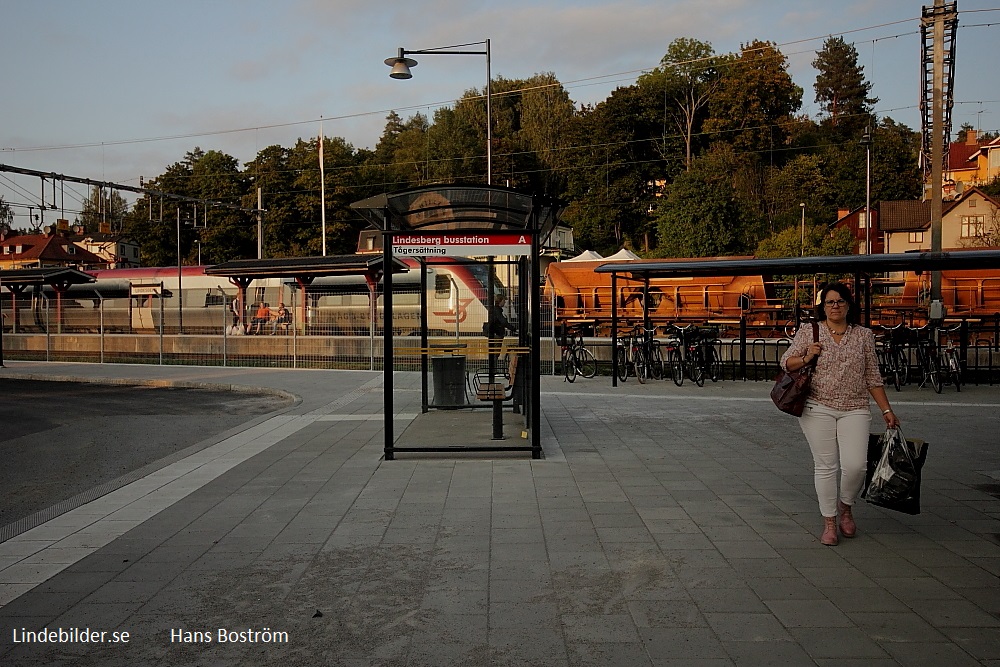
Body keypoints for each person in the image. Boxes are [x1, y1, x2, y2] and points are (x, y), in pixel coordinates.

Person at [779, 282, 900, 547]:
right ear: (823, 307)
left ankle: (846, 506)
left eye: (840, 301)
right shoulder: (810, 331)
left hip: (855, 407)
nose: (835, 306)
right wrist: (807, 356)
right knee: (826, 466)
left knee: (856, 465)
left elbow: (872, 377)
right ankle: (830, 521)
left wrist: (887, 410)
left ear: (849, 305)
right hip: (817, 406)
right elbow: (786, 362)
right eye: (830, 302)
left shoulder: (863, 335)